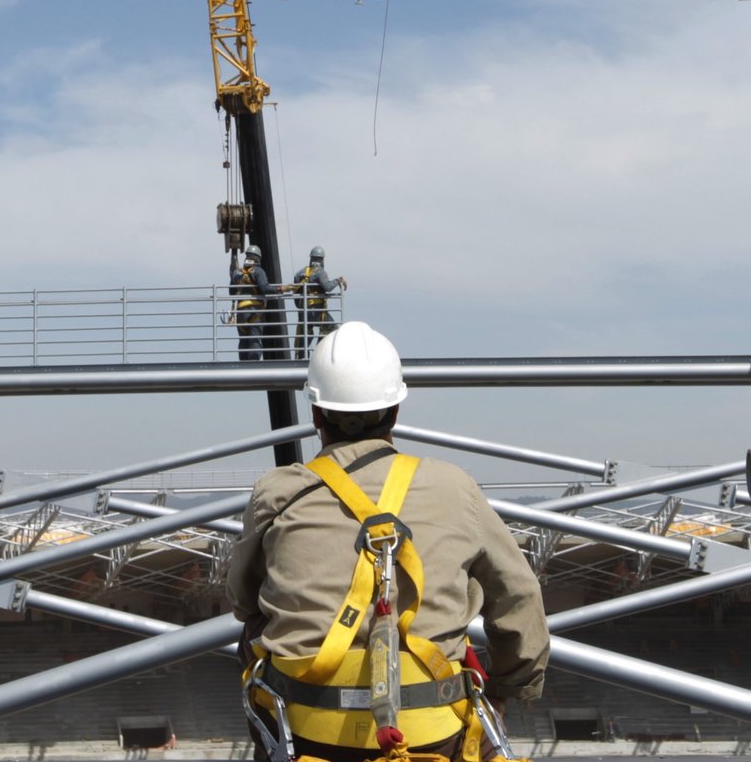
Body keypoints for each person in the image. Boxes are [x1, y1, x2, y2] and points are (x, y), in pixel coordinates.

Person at [228, 322, 548, 761]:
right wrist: (505, 690)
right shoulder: (454, 488)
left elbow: (242, 601)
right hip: (433, 730)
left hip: (309, 733)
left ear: (317, 415)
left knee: (255, 628)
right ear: (394, 411)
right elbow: (520, 599)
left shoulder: (278, 492)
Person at [234, 245, 287, 361]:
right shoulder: (258, 271)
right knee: (255, 339)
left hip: (241, 311)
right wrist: (280, 289)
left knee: (243, 340)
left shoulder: (237, 273)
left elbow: (231, 291)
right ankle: (253, 363)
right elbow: (265, 288)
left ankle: (242, 364)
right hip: (254, 311)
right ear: (258, 258)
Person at [293, 247, 348, 358]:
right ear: (322, 260)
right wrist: (338, 281)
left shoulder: (300, 273)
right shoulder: (320, 272)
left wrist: (302, 308)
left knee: (306, 332)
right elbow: (327, 287)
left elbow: (295, 295)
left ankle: (301, 356)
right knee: (331, 328)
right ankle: (318, 352)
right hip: (316, 312)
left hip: (303, 312)